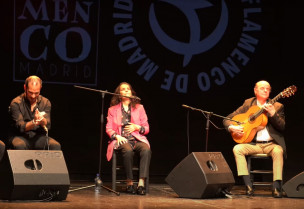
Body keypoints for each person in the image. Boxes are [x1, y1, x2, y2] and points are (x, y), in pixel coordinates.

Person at [223, 80, 285, 198]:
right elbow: (227, 119)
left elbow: (282, 127)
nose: (266, 90)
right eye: (262, 88)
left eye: (268, 88)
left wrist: (273, 114)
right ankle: (248, 185)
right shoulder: (248, 103)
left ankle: (276, 187)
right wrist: (231, 127)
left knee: (278, 151)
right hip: (253, 144)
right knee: (237, 149)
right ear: (255, 90)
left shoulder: (277, 106)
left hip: (271, 145)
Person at [106, 82, 151, 195]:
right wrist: (117, 136)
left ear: (131, 92)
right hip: (121, 139)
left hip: (136, 139)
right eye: (123, 89)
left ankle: (141, 184)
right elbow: (109, 128)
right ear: (119, 94)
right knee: (128, 150)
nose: (126, 90)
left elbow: (146, 128)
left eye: (128, 89)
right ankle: (129, 183)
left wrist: (137, 127)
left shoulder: (139, 108)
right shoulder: (112, 109)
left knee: (146, 149)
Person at [8, 75, 61, 150]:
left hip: (38, 137)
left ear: (40, 89)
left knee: (55, 145)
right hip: (20, 136)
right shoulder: (16, 103)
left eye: (36, 93)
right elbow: (20, 127)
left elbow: (48, 125)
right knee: (20, 145)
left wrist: (42, 121)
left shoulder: (45, 102)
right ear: (25, 88)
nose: (33, 96)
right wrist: (34, 122)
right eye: (30, 92)